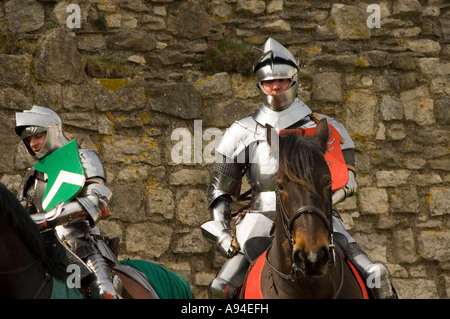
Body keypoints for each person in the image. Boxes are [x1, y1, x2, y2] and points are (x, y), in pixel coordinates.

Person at [201, 38, 397, 299]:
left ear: (293, 80)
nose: (275, 87)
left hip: (318, 214)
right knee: (221, 288)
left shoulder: (327, 129)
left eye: (280, 80)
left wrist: (320, 206)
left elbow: (348, 182)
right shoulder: (241, 132)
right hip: (259, 219)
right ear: (260, 85)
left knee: (377, 276)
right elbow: (220, 191)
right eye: (268, 82)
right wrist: (223, 234)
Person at [15, 105, 158, 299]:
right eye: (28, 139)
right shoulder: (32, 177)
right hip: (41, 251)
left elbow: (98, 203)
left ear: (53, 131)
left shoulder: (83, 159)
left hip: (80, 245)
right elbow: (20, 216)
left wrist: (47, 219)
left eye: (38, 136)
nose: (32, 143)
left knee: (104, 292)